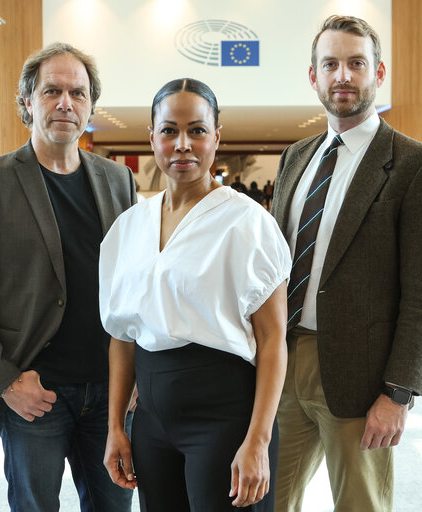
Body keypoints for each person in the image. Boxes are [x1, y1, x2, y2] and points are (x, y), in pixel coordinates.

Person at [0, 42, 137, 512]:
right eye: (52, 91)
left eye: (78, 92)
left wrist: (138, 378)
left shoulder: (117, 180)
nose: (65, 103)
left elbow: (137, 286)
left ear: (91, 105)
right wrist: (5, 382)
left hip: (109, 392)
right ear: (28, 102)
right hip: (35, 394)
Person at [271, 15, 422, 512]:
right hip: (281, 365)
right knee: (263, 500)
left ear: (379, 72)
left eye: (356, 64)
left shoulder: (418, 165)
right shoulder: (296, 157)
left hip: (361, 376)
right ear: (314, 77)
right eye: (330, 64)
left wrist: (398, 393)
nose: (343, 76)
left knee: (359, 505)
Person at [99, 78, 291, 511]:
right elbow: (123, 336)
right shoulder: (129, 228)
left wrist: (258, 441)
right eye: (169, 130)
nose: (182, 144)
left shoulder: (247, 223)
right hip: (151, 421)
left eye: (197, 130)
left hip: (224, 417)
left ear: (216, 138)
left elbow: (274, 342)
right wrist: (115, 426)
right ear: (152, 137)